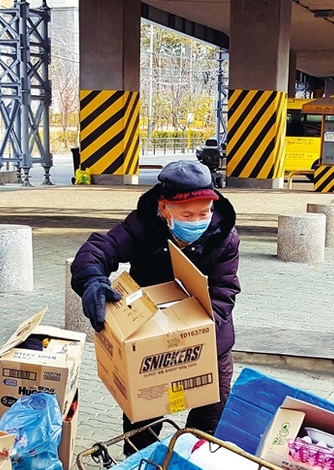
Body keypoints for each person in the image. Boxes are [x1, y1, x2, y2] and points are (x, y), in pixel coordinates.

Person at [70, 160, 241, 452]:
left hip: (208, 342)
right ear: (164, 209)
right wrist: (91, 281)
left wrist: (191, 329)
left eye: (204, 212)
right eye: (187, 214)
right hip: (147, 338)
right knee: (143, 420)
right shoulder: (142, 225)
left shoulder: (223, 236)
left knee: (211, 417)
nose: (197, 220)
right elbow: (101, 249)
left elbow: (224, 290)